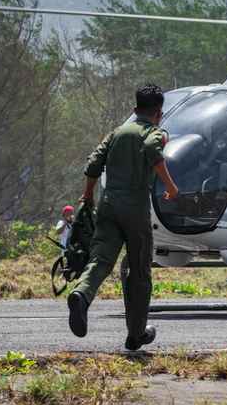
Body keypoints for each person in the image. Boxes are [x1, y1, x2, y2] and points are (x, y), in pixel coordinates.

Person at [67, 83, 179, 351]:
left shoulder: (116, 133)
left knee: (101, 259)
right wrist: (171, 187)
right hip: (135, 210)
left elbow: (93, 164)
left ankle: (81, 295)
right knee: (139, 271)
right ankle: (136, 333)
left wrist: (89, 194)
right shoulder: (157, 132)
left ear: (134, 109)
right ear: (158, 114)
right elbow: (154, 150)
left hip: (108, 206)